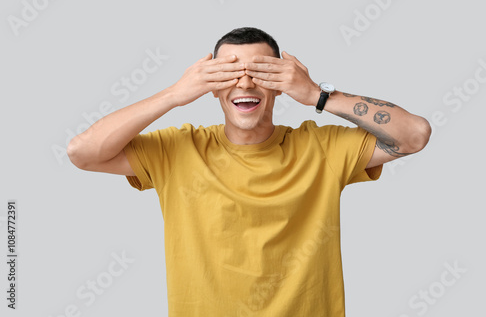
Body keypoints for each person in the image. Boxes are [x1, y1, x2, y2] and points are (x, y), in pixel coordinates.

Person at [67, 27, 431, 316]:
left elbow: (414, 135)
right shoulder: (176, 151)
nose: (244, 83)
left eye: (261, 72)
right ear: (211, 86)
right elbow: (82, 153)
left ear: (280, 86)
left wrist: (316, 94)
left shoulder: (322, 148)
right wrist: (174, 95)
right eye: (229, 72)